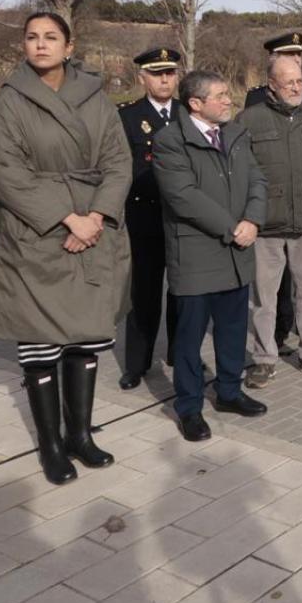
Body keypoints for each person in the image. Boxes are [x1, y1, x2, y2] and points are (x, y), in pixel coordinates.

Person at [0, 13, 132, 486]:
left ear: (69, 46)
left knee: (87, 336)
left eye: (51, 37)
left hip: (94, 226)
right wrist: (67, 217)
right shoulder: (10, 101)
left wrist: (96, 217)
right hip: (36, 231)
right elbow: (6, 171)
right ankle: (49, 444)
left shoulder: (97, 97)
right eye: (32, 37)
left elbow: (118, 162)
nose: (40, 45)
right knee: (41, 342)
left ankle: (80, 435)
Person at [153, 71, 269, 440]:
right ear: (195, 104)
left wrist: (253, 219)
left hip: (237, 252)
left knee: (233, 330)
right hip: (198, 254)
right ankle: (189, 407)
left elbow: (257, 180)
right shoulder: (171, 140)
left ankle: (229, 391)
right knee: (189, 339)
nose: (227, 100)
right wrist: (233, 227)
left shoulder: (234, 133)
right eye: (219, 95)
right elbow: (183, 196)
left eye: (226, 93)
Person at [236, 54, 302, 384]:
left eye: (299, 81)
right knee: (264, 298)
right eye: (288, 82)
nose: (295, 87)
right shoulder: (249, 120)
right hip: (266, 224)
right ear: (272, 85)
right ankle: (264, 358)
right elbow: (239, 173)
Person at [117, 47, 183, 390]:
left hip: (184, 221)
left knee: (183, 291)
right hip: (144, 219)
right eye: (157, 73)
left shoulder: (189, 112)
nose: (164, 79)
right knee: (143, 295)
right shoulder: (128, 116)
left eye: (170, 72)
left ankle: (178, 352)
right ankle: (137, 364)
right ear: (142, 77)